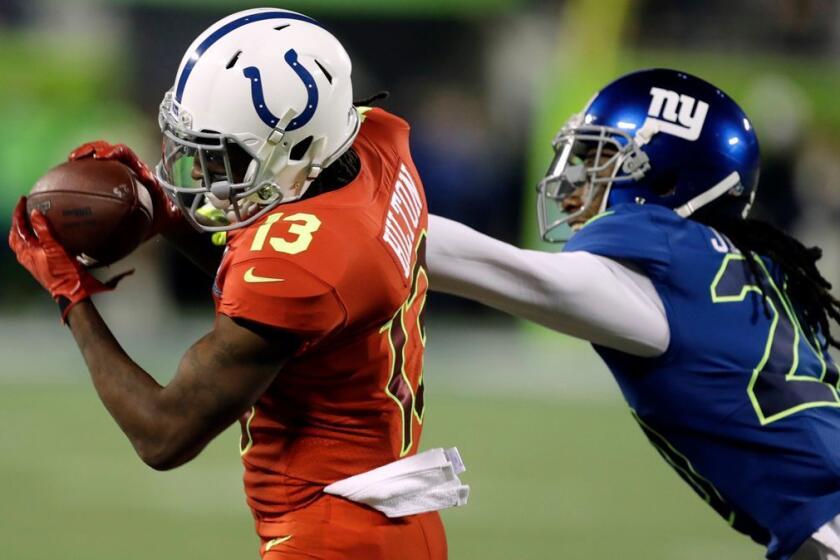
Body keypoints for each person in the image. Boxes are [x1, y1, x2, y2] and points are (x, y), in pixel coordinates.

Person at [8, 8, 452, 559]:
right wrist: (168, 215)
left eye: (225, 155)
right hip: (392, 518)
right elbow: (272, 286)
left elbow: (163, 433)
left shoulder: (306, 262)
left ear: (296, 146)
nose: (205, 174)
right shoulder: (373, 145)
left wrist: (69, 293)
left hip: (333, 533)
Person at [426, 68, 840, 560]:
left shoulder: (665, 260)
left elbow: (510, 274)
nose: (574, 184)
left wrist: (367, 214)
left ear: (665, 175)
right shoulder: (753, 272)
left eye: (599, 160)